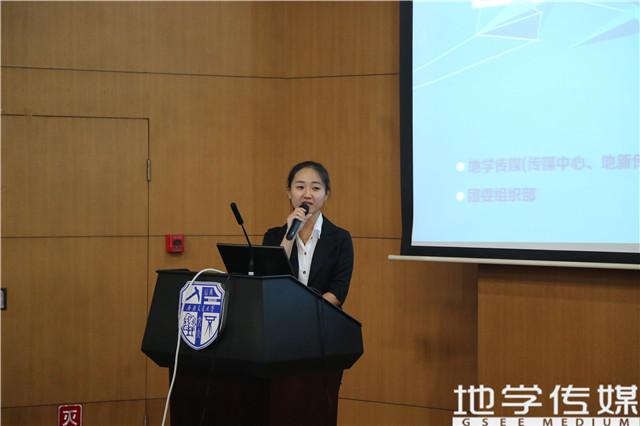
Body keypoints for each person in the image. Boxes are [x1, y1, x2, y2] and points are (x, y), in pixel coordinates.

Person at [262, 160, 354, 307]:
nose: (307, 194)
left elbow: (338, 291)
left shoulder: (340, 239)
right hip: (281, 314)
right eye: (300, 187)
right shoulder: (272, 236)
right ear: (289, 192)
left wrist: (307, 310)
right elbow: (270, 279)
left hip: (323, 316)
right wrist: (289, 236)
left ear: (326, 194)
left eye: (316, 188)